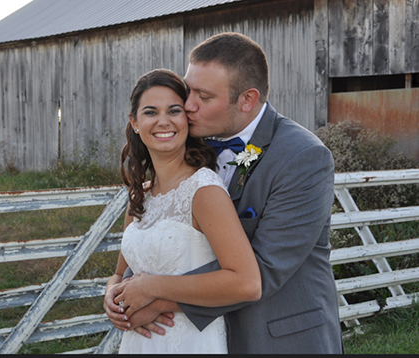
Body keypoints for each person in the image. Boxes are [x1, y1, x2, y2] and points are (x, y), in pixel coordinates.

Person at [104, 32, 344, 354]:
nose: (187, 106)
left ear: (246, 99)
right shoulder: (193, 144)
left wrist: (155, 298)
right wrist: (119, 291)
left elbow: (264, 271)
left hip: (277, 339)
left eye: (203, 96)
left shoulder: (303, 157)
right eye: (189, 91)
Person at [104, 68, 262, 354]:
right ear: (135, 123)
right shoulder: (140, 195)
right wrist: (111, 296)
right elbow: (120, 273)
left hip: (190, 341)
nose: (163, 121)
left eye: (174, 111)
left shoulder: (203, 190)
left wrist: (152, 289)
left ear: (186, 119)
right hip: (138, 342)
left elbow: (246, 282)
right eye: (150, 112)